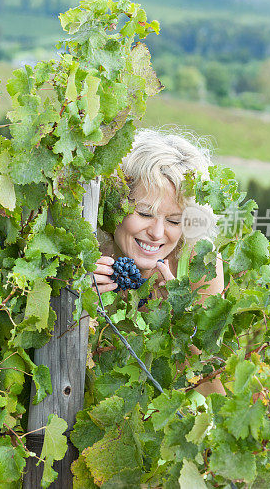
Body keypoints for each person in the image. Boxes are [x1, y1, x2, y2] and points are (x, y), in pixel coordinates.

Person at [91, 128, 225, 395]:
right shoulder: (89, 253)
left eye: (174, 221)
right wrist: (80, 304)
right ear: (114, 205)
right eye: (144, 213)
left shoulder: (200, 264)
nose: (157, 233)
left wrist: (180, 321)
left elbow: (209, 388)